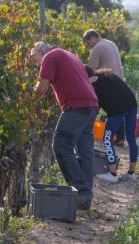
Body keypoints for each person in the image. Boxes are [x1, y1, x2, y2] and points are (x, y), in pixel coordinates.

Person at [31, 42, 98, 210]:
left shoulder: (49, 56)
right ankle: (85, 197)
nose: (38, 64)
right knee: (85, 152)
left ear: (40, 52)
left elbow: (41, 89)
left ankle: (80, 190)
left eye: (35, 59)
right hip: (91, 105)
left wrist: (30, 96)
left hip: (76, 107)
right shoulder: (67, 53)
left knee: (61, 145)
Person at [84, 65, 138, 183]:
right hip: (132, 104)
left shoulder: (93, 86)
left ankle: (112, 174)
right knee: (131, 138)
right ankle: (131, 173)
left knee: (107, 139)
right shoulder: (106, 75)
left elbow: (94, 109)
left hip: (118, 109)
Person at [83, 29, 126, 147]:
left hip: (107, 82)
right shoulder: (110, 43)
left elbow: (92, 69)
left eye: (88, 43)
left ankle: (87, 133)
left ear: (92, 38)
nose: (89, 46)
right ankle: (121, 138)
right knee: (117, 109)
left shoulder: (97, 47)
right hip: (119, 81)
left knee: (93, 106)